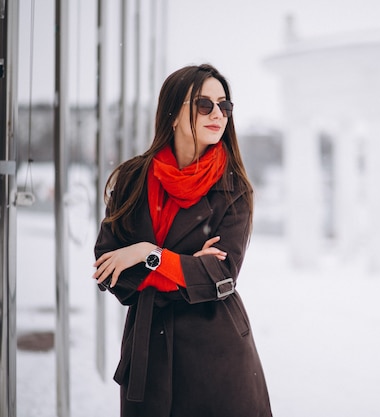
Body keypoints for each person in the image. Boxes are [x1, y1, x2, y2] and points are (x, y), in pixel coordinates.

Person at [93, 63, 272, 417]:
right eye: (203, 105)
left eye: (224, 105)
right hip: (148, 354)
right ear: (173, 114)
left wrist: (147, 254)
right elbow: (108, 269)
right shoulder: (133, 178)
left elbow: (220, 277)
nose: (217, 114)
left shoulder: (234, 188)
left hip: (217, 353)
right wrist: (188, 267)